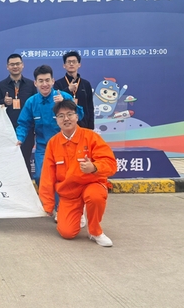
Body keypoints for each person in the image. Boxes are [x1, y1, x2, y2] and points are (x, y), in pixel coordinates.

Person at [39, 100, 116, 247]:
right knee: (67, 233)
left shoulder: (91, 137)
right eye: (61, 116)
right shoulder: (53, 143)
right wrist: (48, 204)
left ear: (77, 116)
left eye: (70, 114)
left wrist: (94, 167)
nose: (66, 119)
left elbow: (111, 164)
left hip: (91, 184)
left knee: (95, 196)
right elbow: (47, 176)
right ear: (56, 120)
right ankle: (78, 213)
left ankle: (95, 231)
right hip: (69, 192)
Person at [15, 65, 84, 185]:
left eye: (47, 80)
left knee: (65, 178)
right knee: (40, 177)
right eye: (41, 81)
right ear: (35, 83)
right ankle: (47, 198)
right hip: (43, 147)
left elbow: (80, 115)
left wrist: (65, 104)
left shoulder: (64, 97)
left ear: (53, 81)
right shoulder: (31, 102)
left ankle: (61, 198)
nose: (44, 84)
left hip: (64, 146)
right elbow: (23, 124)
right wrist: (19, 139)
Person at [0, 54, 37, 173]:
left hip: (27, 129)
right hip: (7, 130)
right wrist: (3, 102)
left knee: (26, 159)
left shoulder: (30, 85)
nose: (15, 66)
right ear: (7, 67)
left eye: (17, 64)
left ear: (22, 65)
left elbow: (35, 106)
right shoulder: (0, 86)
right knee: (8, 161)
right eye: (12, 64)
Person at [54, 51, 95, 129]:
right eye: (69, 62)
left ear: (79, 64)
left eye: (74, 62)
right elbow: (56, 103)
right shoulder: (58, 84)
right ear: (64, 65)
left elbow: (90, 107)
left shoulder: (86, 84)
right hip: (65, 125)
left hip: (83, 125)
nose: (71, 64)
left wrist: (91, 127)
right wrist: (68, 89)